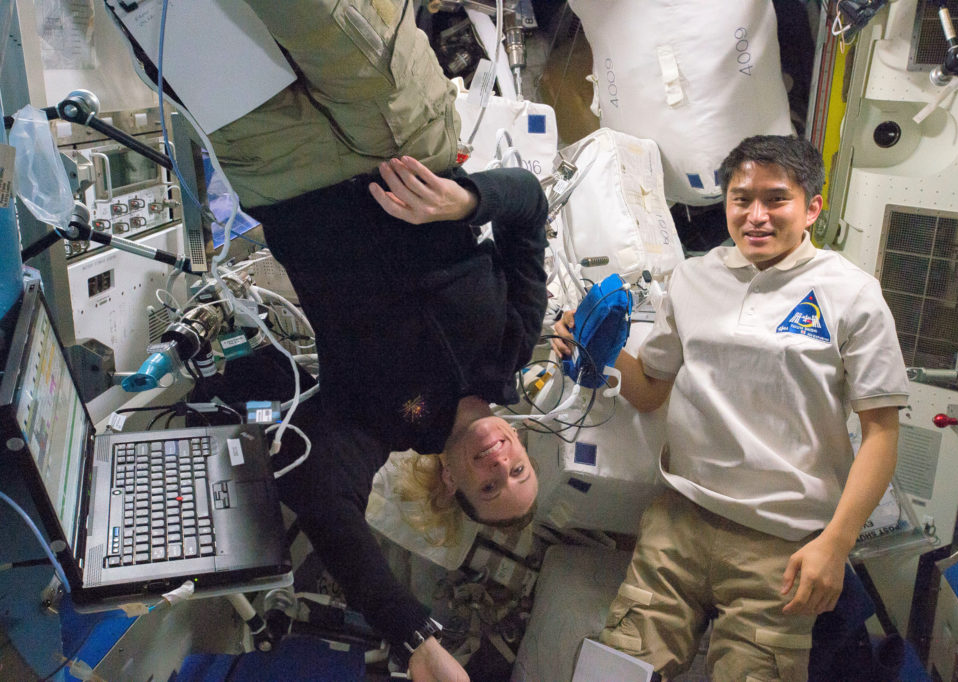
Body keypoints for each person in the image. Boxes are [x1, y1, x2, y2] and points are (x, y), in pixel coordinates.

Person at [197, 2, 548, 680]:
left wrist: (413, 636)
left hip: (286, 174)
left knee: (173, 19)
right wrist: (467, 201)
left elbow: (331, 515)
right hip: (400, 133)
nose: (499, 463)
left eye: (488, 483)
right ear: (525, 448)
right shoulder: (513, 344)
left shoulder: (372, 421)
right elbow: (528, 208)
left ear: (451, 480)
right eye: (518, 471)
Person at [553, 135, 909, 681]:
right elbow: (651, 387)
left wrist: (835, 544)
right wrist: (595, 346)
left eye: (776, 199)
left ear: (812, 206)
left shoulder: (852, 295)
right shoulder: (694, 279)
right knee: (614, 671)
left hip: (781, 546)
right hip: (679, 523)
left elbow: (881, 435)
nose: (756, 215)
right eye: (742, 198)